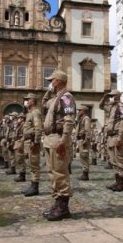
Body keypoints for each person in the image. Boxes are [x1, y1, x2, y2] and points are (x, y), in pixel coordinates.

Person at [42, 70, 75, 221]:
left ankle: (63, 208)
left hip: (58, 139)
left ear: (59, 81)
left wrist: (64, 141)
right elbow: (43, 104)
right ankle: (57, 202)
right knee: (52, 172)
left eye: (52, 80)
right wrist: (48, 92)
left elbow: (69, 120)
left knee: (60, 173)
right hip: (50, 139)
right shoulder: (55, 98)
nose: (50, 82)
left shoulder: (67, 98)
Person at [99, 89, 123, 191]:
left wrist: (120, 138)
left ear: (117, 97)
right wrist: (104, 97)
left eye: (112, 96)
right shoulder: (111, 108)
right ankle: (117, 181)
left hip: (117, 137)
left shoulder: (122, 107)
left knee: (119, 160)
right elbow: (101, 106)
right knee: (113, 161)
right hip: (111, 137)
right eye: (110, 96)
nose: (111, 98)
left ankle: (121, 184)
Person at [22, 93, 43, 196]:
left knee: (34, 164)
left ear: (32, 101)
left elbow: (38, 128)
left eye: (27, 100)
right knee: (31, 164)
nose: (25, 102)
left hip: (32, 142)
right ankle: (32, 185)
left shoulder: (35, 113)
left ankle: (35, 187)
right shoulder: (29, 113)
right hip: (28, 142)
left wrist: (36, 142)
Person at [75, 105, 92, 180]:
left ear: (83, 111)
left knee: (84, 156)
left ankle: (85, 174)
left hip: (83, 140)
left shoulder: (86, 118)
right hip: (80, 139)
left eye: (80, 110)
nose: (78, 112)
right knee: (82, 156)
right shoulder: (81, 119)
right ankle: (84, 172)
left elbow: (87, 130)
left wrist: (86, 139)